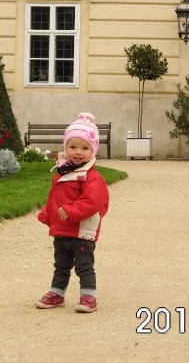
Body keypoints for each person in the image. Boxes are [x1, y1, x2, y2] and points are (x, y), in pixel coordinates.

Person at [34, 112, 110, 313]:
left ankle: (88, 297)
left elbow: (93, 201)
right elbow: (55, 197)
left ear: (93, 151)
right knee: (61, 264)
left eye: (85, 148)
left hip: (82, 231)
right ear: (65, 148)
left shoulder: (92, 178)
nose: (78, 152)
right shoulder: (62, 171)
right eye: (73, 147)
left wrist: (72, 210)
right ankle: (56, 293)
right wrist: (48, 213)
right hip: (62, 230)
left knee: (84, 266)